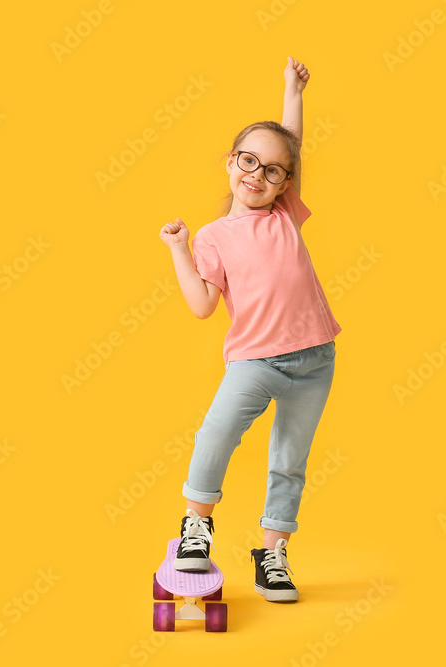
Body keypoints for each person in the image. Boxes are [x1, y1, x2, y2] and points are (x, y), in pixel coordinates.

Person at [158, 56, 340, 603]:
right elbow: (201, 306)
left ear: (286, 181)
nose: (257, 176)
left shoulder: (285, 213)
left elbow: (292, 140)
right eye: (247, 161)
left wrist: (292, 90)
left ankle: (273, 554)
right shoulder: (215, 236)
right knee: (215, 435)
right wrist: (178, 250)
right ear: (229, 162)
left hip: (315, 360)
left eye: (272, 170)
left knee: (290, 460)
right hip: (255, 361)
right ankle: (196, 526)